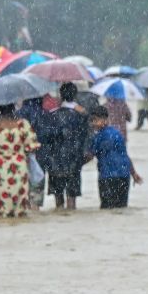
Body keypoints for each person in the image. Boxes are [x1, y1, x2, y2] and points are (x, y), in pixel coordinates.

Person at [0, 103, 39, 218]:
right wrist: (21, 154)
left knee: (0, 208)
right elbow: (33, 146)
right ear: (13, 109)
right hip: (19, 168)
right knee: (19, 208)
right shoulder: (22, 124)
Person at [42, 82, 89, 210]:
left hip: (55, 163)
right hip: (73, 161)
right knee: (72, 197)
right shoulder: (80, 115)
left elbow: (47, 140)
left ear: (61, 96)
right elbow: (86, 137)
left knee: (58, 198)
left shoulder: (51, 116)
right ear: (75, 95)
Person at [87, 106, 142, 209]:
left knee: (106, 208)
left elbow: (90, 156)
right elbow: (125, 156)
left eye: (95, 120)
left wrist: (76, 166)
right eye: (92, 120)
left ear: (105, 120)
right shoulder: (117, 134)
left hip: (107, 177)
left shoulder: (98, 137)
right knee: (121, 208)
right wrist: (133, 173)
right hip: (124, 176)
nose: (93, 123)